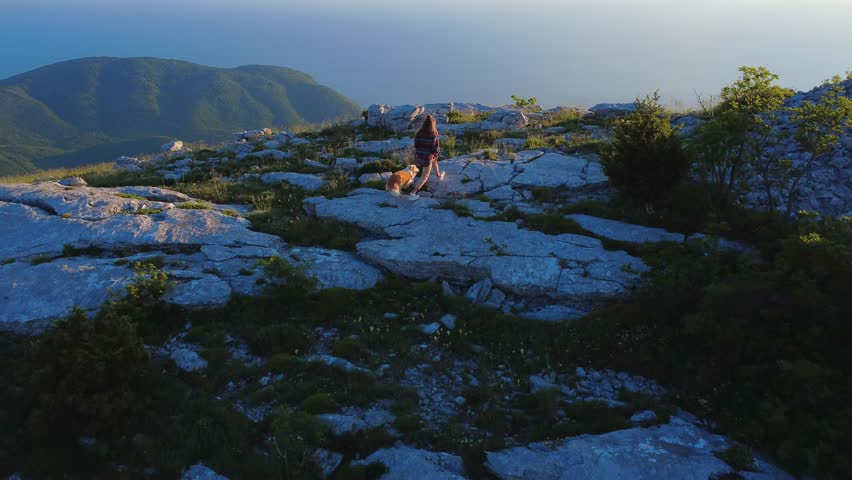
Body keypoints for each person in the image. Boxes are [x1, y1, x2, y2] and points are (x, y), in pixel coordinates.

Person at [409, 114, 445, 200]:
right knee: (425, 175)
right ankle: (413, 193)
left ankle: (439, 176)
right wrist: (434, 153)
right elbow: (436, 148)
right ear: (433, 124)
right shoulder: (434, 134)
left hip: (419, 155)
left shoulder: (419, 133)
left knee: (435, 161)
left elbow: (416, 145)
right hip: (428, 157)